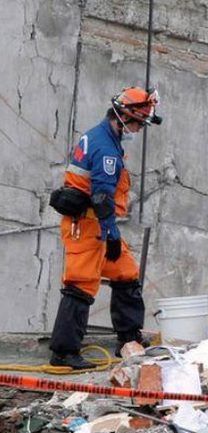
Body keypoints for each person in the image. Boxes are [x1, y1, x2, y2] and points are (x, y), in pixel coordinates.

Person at [48, 87, 161, 369]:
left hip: (96, 222)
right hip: (87, 225)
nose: (139, 129)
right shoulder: (106, 149)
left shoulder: (101, 136)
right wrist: (111, 233)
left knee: (126, 273)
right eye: (138, 123)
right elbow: (101, 197)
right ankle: (64, 353)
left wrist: (110, 233)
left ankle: (128, 339)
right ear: (124, 117)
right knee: (81, 285)